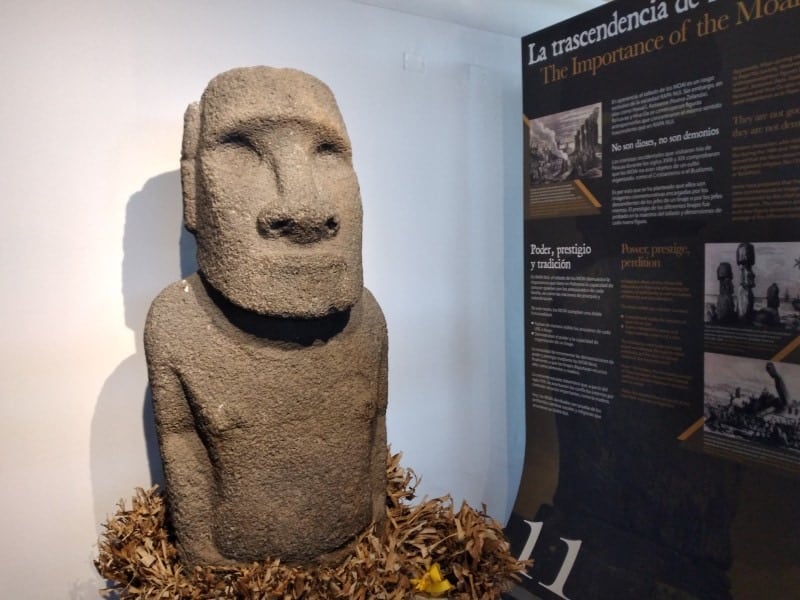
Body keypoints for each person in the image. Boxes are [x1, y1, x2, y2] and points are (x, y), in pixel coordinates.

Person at [144, 67, 388, 566]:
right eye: (241, 150)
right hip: (245, 573)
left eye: (327, 153)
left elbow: (375, 436)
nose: (304, 209)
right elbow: (183, 448)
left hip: (358, 560)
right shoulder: (178, 324)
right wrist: (209, 564)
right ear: (193, 191)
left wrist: (378, 547)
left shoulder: (370, 321)